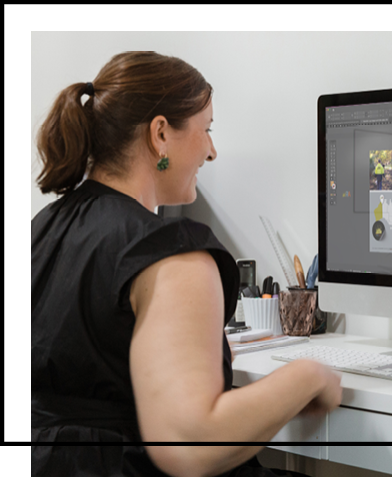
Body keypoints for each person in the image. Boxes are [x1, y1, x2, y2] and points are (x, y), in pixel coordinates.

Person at [30, 51, 341, 477]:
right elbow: (189, 444)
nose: (211, 151)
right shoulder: (169, 252)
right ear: (160, 134)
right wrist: (310, 375)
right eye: (206, 129)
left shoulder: (42, 229)